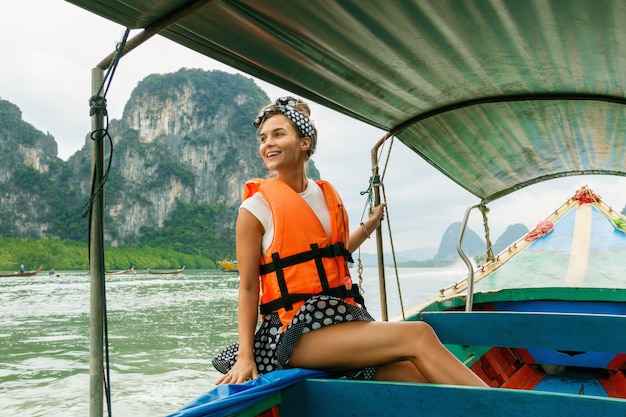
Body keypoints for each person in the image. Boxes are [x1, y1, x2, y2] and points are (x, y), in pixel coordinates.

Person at [212, 97, 487, 387]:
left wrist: (368, 226)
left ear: (305, 142)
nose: (267, 143)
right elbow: (248, 286)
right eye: (263, 138)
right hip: (292, 333)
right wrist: (245, 357)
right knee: (417, 334)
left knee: (413, 374)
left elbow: (334, 254)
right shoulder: (255, 209)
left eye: (279, 134)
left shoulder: (324, 195)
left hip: (336, 318)